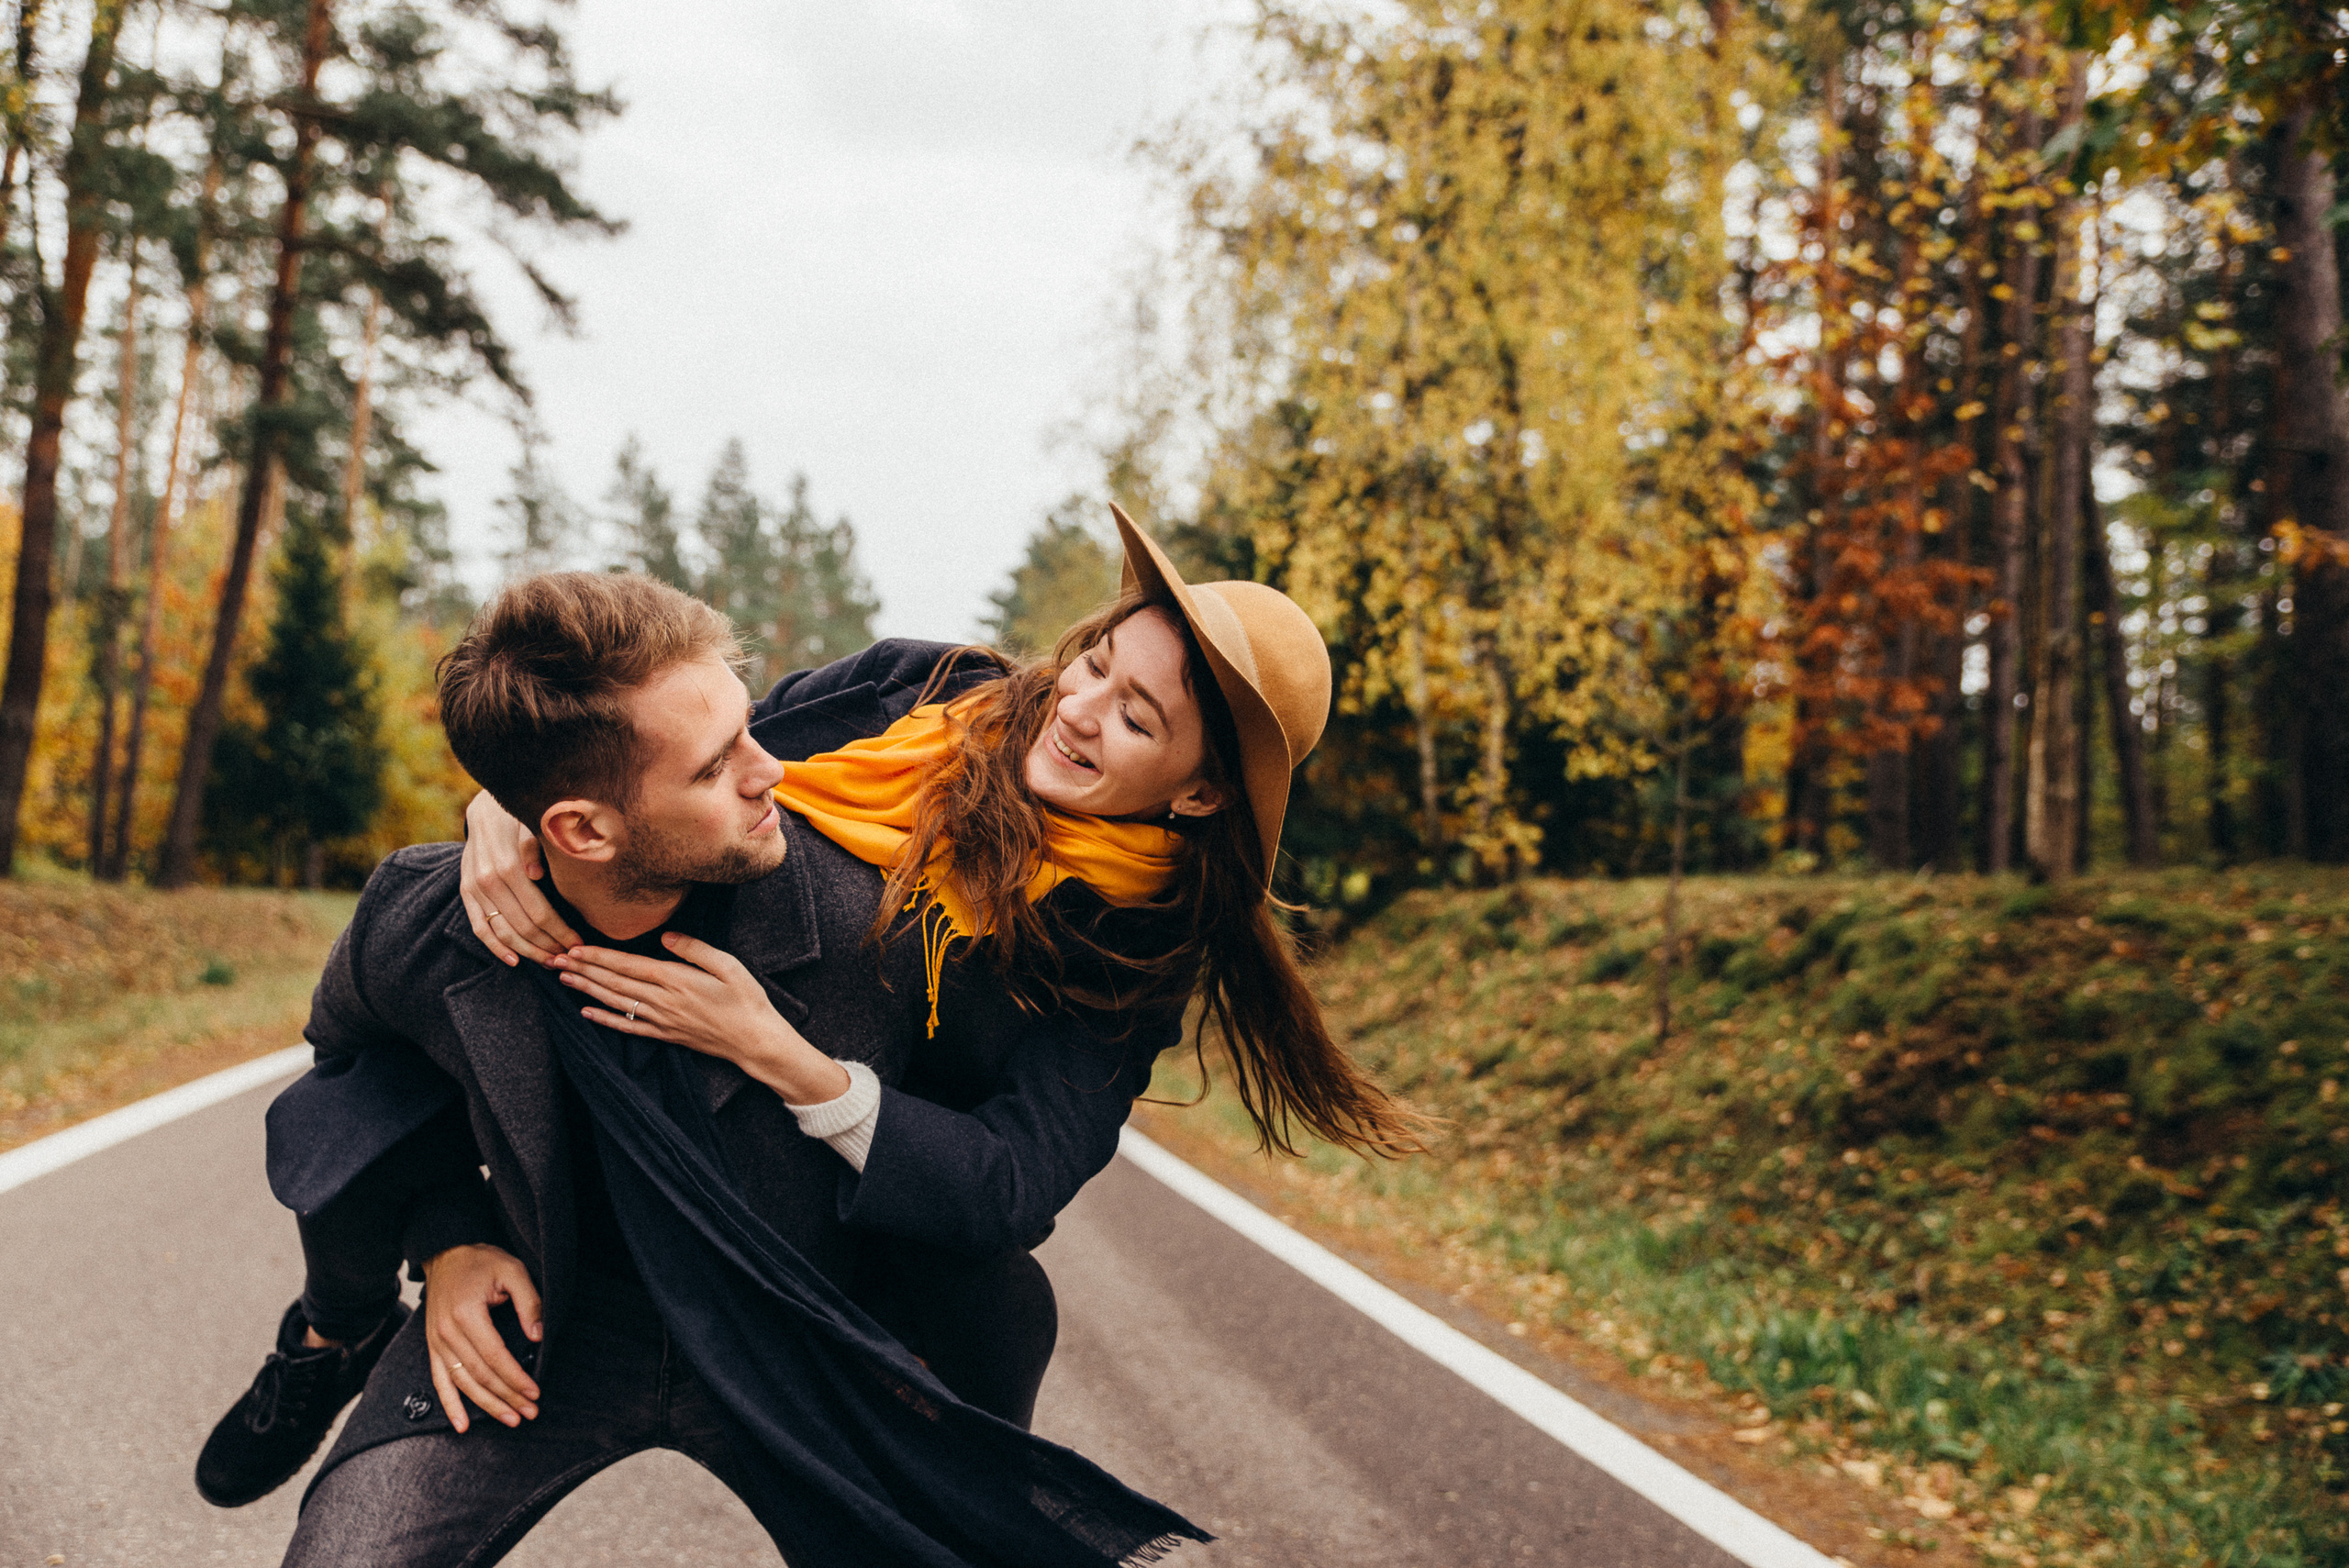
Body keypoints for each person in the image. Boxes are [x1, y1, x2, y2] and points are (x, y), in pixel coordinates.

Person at [196, 510, 1419, 1565]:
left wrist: (795, 1061)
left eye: (1138, 715)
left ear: (1199, 790)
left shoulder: (1124, 951)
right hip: (576, 1292)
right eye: (1093, 660)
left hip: (825, 1303)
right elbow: (656, 753)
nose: (1079, 708)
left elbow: (1009, 1182)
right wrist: (509, 814)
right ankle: (328, 1329)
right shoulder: (909, 698)